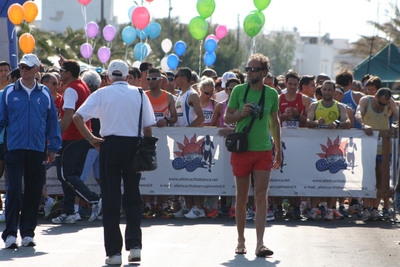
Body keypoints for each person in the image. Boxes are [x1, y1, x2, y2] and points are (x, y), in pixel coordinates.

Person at [73, 59, 155, 265]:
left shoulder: (101, 93)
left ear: (108, 77)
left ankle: (114, 253)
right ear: (128, 77)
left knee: (110, 198)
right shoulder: (138, 93)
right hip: (133, 146)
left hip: (109, 145)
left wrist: (92, 139)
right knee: (133, 197)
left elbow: (77, 117)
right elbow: (148, 128)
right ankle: (135, 246)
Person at [0, 54, 61, 248]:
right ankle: (10, 234)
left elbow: (53, 123)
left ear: (37, 69)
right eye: (22, 67)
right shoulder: (8, 92)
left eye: (28, 67)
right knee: (14, 190)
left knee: (34, 192)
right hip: (14, 148)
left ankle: (27, 233)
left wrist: (53, 147)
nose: (24, 70)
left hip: (37, 149)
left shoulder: (44, 94)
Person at [224, 53, 281, 257]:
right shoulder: (239, 90)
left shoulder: (272, 94)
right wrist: (241, 114)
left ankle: (260, 243)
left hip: (263, 150)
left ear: (264, 72)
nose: (249, 72)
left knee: (260, 196)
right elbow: (227, 116)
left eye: (254, 69)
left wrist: (278, 151)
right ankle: (240, 241)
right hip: (242, 150)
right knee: (241, 198)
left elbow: (274, 122)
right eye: (247, 69)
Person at [52, 58, 102, 224]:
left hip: (72, 137)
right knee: (71, 176)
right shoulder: (82, 85)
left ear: (68, 73)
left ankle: (94, 199)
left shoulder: (71, 90)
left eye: (61, 71)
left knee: (66, 175)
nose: (59, 74)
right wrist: (67, 62)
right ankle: (69, 212)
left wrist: (56, 135)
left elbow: (68, 115)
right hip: (82, 137)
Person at [306, 80, 351, 220]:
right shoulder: (315, 105)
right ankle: (314, 209)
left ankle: (331, 210)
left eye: (329, 90)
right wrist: (315, 123)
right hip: (316, 148)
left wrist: (337, 124)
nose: (326, 92)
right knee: (315, 177)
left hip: (334, 149)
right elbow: (307, 121)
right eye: (324, 90)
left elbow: (348, 122)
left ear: (334, 91)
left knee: (334, 178)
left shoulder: (340, 107)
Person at [355, 88, 398, 221]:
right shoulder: (365, 100)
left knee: (381, 177)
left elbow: (397, 113)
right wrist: (363, 125)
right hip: (368, 146)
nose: (383, 106)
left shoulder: (389, 101)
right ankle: (366, 208)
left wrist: (396, 123)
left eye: (385, 104)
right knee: (368, 177)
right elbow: (358, 113)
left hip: (383, 147)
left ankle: (375, 208)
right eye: (381, 103)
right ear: (375, 96)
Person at [142, 68, 177, 219]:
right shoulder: (143, 96)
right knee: (146, 170)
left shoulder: (168, 97)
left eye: (154, 79)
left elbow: (175, 117)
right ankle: (148, 205)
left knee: (163, 171)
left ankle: (163, 204)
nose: (150, 82)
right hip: (146, 140)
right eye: (148, 79)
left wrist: (167, 120)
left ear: (161, 80)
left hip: (163, 142)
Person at [172, 67, 205, 218]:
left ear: (183, 78)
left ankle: (199, 208)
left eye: (176, 76)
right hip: (181, 140)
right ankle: (189, 206)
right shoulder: (180, 95)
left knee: (193, 174)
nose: (174, 79)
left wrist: (187, 131)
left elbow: (201, 117)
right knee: (183, 174)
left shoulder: (192, 95)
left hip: (191, 140)